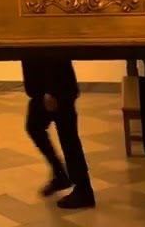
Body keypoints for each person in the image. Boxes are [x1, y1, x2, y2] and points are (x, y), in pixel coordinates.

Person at [21, 57, 94, 209]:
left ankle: (83, 191)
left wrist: (52, 91)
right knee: (34, 127)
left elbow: (55, 55)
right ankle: (61, 174)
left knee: (68, 139)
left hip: (57, 91)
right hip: (43, 90)